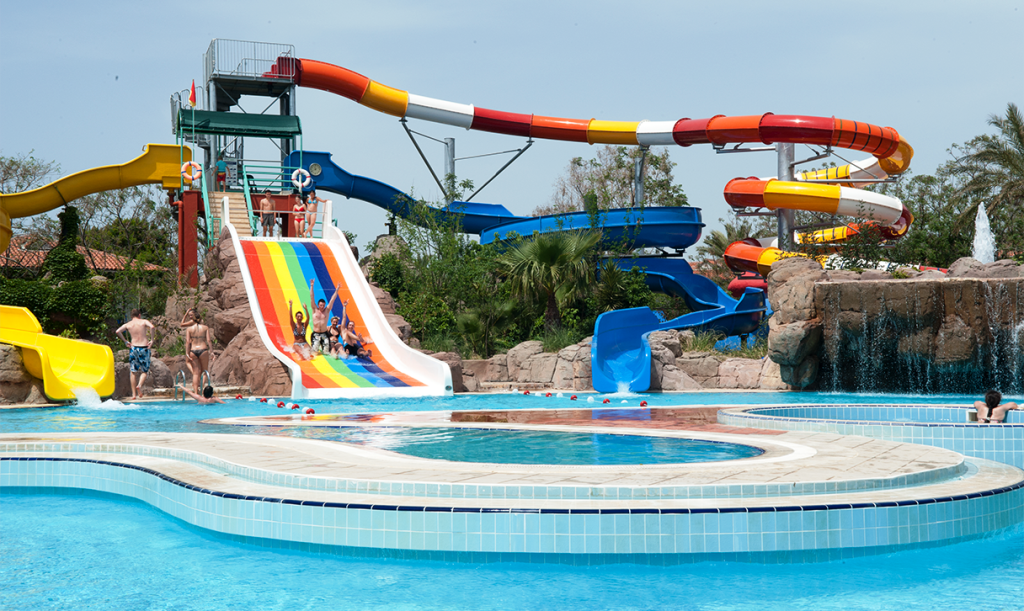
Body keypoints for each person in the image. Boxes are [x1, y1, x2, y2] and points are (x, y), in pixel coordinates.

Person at [115, 309, 154, 400]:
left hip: (133, 348)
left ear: (131, 316)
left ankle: (133, 395)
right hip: (144, 348)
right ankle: (139, 385)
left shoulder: (128, 324)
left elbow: (117, 331)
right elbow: (152, 327)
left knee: (133, 372)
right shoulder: (143, 321)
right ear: (139, 315)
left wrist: (125, 341)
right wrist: (152, 340)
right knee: (144, 371)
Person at [309, 278, 343, 355]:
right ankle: (315, 346)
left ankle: (323, 346)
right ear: (318, 305)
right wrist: (312, 286)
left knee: (326, 353)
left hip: (324, 334)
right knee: (314, 353)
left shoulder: (326, 311)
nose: (322, 307)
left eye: (323, 305)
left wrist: (337, 289)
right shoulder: (314, 309)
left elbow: (332, 300)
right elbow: (312, 297)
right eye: (321, 305)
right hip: (316, 333)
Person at [185, 312, 215, 394]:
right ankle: (201, 390)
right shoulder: (205, 328)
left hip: (193, 350)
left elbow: (188, 341)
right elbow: (208, 340)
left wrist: (187, 352)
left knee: (195, 373)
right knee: (204, 372)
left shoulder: (189, 329)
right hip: (203, 350)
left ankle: (195, 393)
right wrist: (212, 352)